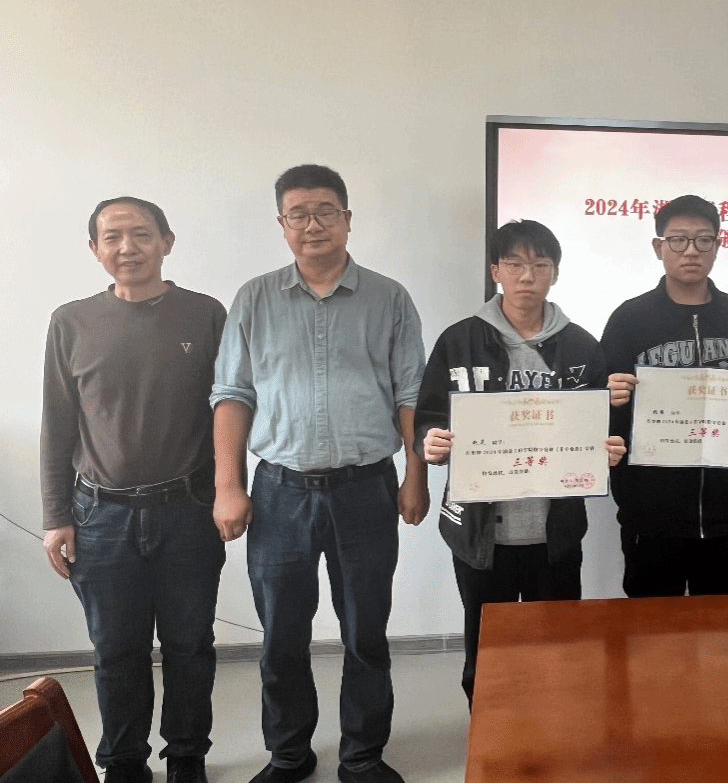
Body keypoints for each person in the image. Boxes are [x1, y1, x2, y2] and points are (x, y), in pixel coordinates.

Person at [211, 165, 426, 783]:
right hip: (279, 492)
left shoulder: (389, 298)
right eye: (299, 214)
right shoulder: (254, 298)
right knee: (281, 636)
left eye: (326, 211)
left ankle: (362, 755)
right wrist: (229, 486)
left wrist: (416, 477)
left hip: (366, 488)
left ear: (347, 219)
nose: (313, 225)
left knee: (366, 633)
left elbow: (411, 395)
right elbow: (232, 394)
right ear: (282, 224)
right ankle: (289, 754)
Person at [41, 197, 226, 783]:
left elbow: (230, 412)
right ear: (94, 250)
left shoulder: (205, 314)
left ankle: (187, 755)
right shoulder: (70, 321)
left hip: (188, 510)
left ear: (167, 241)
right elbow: (57, 423)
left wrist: (230, 491)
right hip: (100, 516)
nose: (128, 248)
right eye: (112, 237)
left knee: (190, 645)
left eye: (142, 234)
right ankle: (123, 762)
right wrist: (56, 516)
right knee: (116, 650)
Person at [415, 220, 626, 704]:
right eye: (514, 264)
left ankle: (552, 735)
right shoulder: (460, 340)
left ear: (555, 273)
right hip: (479, 532)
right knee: (487, 653)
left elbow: (601, 427)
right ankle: (492, 741)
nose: (527, 275)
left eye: (540, 265)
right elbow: (429, 416)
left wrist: (609, 449)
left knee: (558, 648)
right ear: (496, 271)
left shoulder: (581, 345)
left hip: (555, 533)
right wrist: (431, 442)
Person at [601, 194, 728, 597]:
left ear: (717, 246)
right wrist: (607, 399)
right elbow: (602, 414)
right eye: (678, 239)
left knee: (727, 631)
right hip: (651, 518)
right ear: (658, 246)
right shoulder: (628, 319)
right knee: (651, 629)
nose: (691, 250)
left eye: (703, 239)